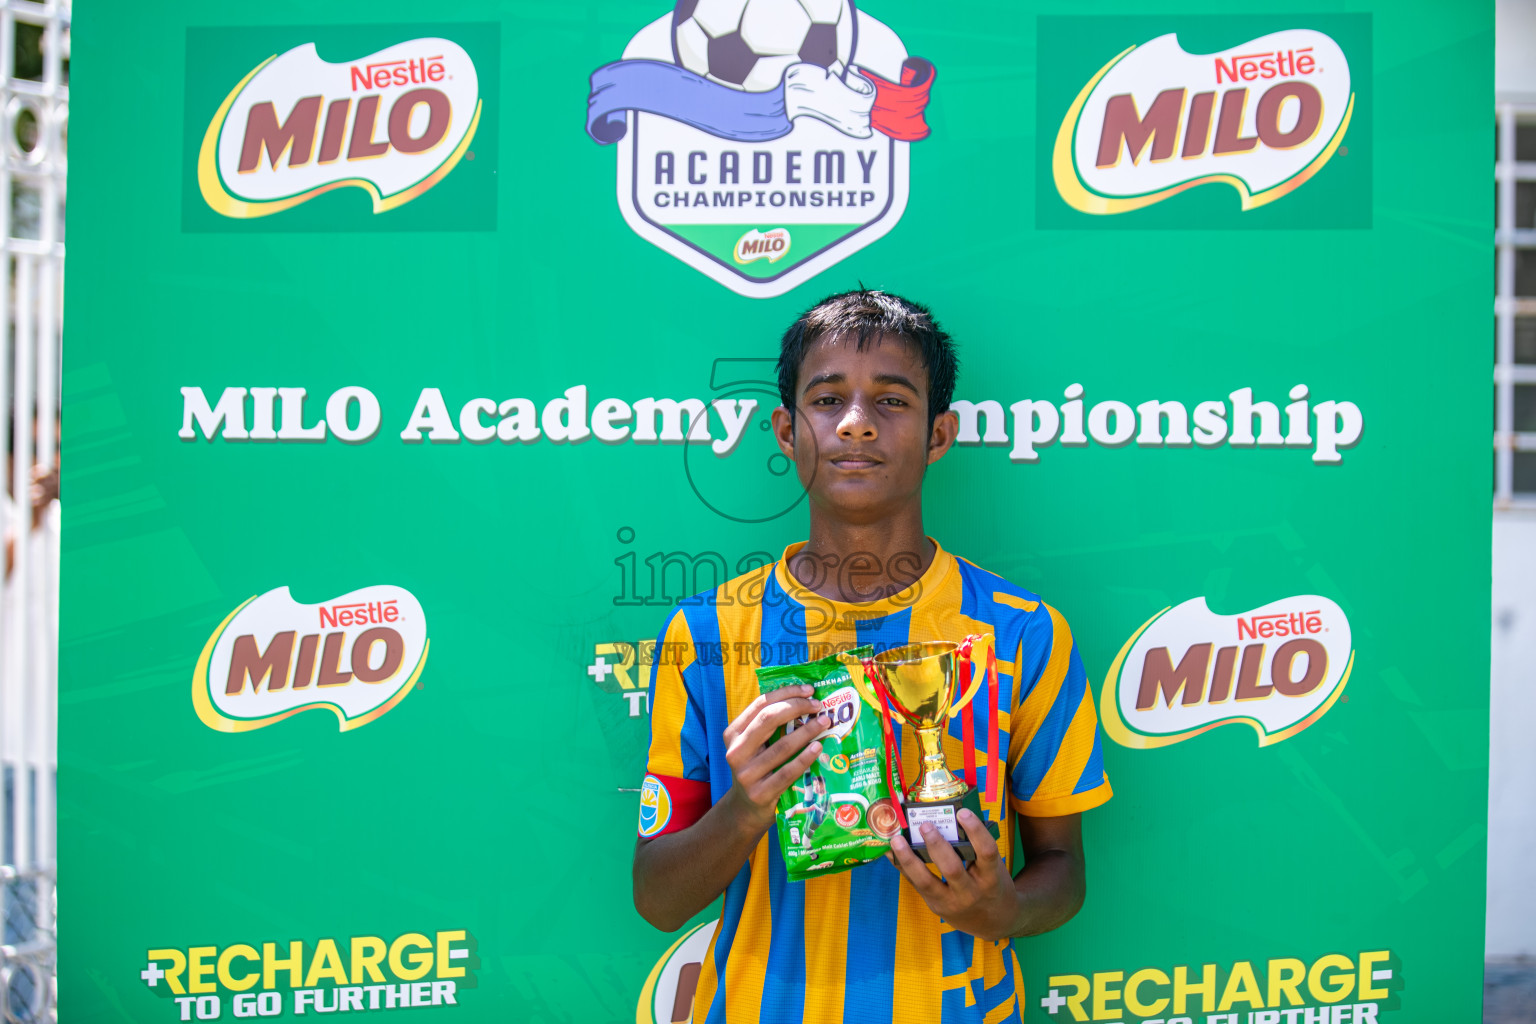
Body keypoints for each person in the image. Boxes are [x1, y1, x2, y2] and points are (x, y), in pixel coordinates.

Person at [631, 290, 1112, 1024]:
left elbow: (1065, 871)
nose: (856, 421)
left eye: (892, 399)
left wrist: (1002, 910)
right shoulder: (707, 630)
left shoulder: (1024, 633)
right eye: (828, 399)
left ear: (939, 434)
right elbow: (657, 898)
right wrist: (746, 807)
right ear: (788, 432)